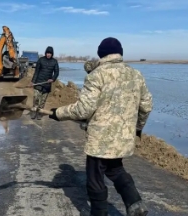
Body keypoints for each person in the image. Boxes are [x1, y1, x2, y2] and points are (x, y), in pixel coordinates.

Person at [48, 37, 153, 216]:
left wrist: (58, 113)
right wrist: (137, 128)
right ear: (120, 53)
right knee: (115, 169)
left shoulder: (97, 75)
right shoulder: (136, 74)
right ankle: (135, 204)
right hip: (122, 138)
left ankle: (99, 212)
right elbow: (146, 106)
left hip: (101, 140)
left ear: (101, 54)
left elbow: (83, 110)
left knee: (95, 179)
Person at [29, 46, 59, 120]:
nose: (48, 54)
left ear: (52, 54)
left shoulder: (54, 62)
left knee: (42, 101)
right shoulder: (41, 60)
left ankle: (39, 113)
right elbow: (36, 72)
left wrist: (53, 79)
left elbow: (57, 72)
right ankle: (33, 112)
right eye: (47, 53)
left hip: (47, 84)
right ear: (45, 53)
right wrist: (32, 82)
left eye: (50, 53)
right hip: (38, 83)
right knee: (36, 98)